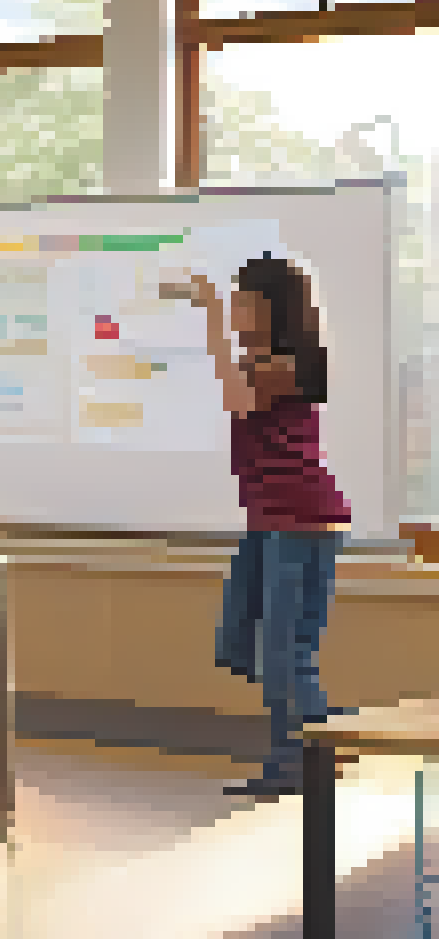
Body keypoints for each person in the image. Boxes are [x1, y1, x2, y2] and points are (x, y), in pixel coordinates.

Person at [168, 257, 351, 797]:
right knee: (240, 640)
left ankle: (302, 763)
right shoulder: (260, 359)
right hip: (269, 519)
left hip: (300, 519)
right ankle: (316, 741)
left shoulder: (284, 362)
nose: (237, 311)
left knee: (286, 651)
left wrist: (210, 314)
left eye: (245, 302)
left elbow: (237, 401)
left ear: (273, 308)